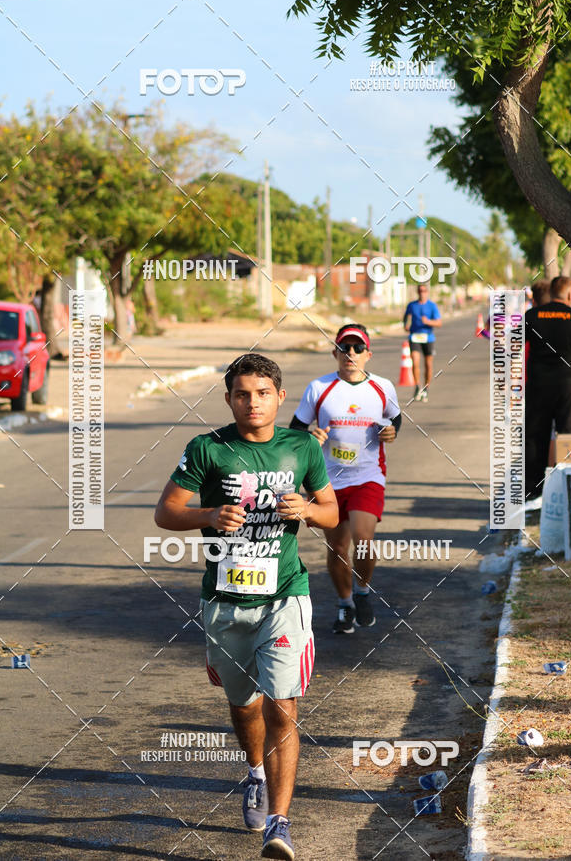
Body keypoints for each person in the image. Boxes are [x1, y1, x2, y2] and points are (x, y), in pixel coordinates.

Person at [154, 353, 338, 860]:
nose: (251, 402)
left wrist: (309, 510)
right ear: (229, 398)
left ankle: (279, 824)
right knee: (244, 705)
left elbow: (331, 510)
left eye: (262, 393)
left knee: (283, 705)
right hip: (225, 600)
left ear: (280, 397)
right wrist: (210, 513)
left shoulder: (301, 447)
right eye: (241, 394)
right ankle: (255, 772)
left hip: (285, 595)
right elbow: (166, 512)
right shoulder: (208, 449)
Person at [289, 324, 401, 634]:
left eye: (357, 348)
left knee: (363, 542)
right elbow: (296, 429)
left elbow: (395, 420)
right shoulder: (319, 388)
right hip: (326, 480)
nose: (350, 353)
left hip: (368, 475)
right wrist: (311, 437)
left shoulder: (383, 387)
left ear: (368, 354)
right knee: (338, 546)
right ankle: (345, 603)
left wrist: (391, 433)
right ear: (335, 352)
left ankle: (363, 591)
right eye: (344, 348)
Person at [524, 276, 571, 509]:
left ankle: (533, 494)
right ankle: (568, 494)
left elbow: (514, 345)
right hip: (568, 386)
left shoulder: (533, 316)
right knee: (568, 437)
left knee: (534, 438)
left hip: (539, 385)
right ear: (569, 294)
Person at [403, 283, 442, 402]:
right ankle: (417, 386)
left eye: (424, 291)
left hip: (428, 338)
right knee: (415, 362)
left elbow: (439, 323)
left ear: (427, 292)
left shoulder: (432, 306)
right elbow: (405, 317)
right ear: (417, 292)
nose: (422, 293)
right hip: (414, 337)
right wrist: (406, 325)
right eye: (420, 291)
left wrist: (428, 322)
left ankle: (426, 388)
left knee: (428, 365)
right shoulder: (412, 305)